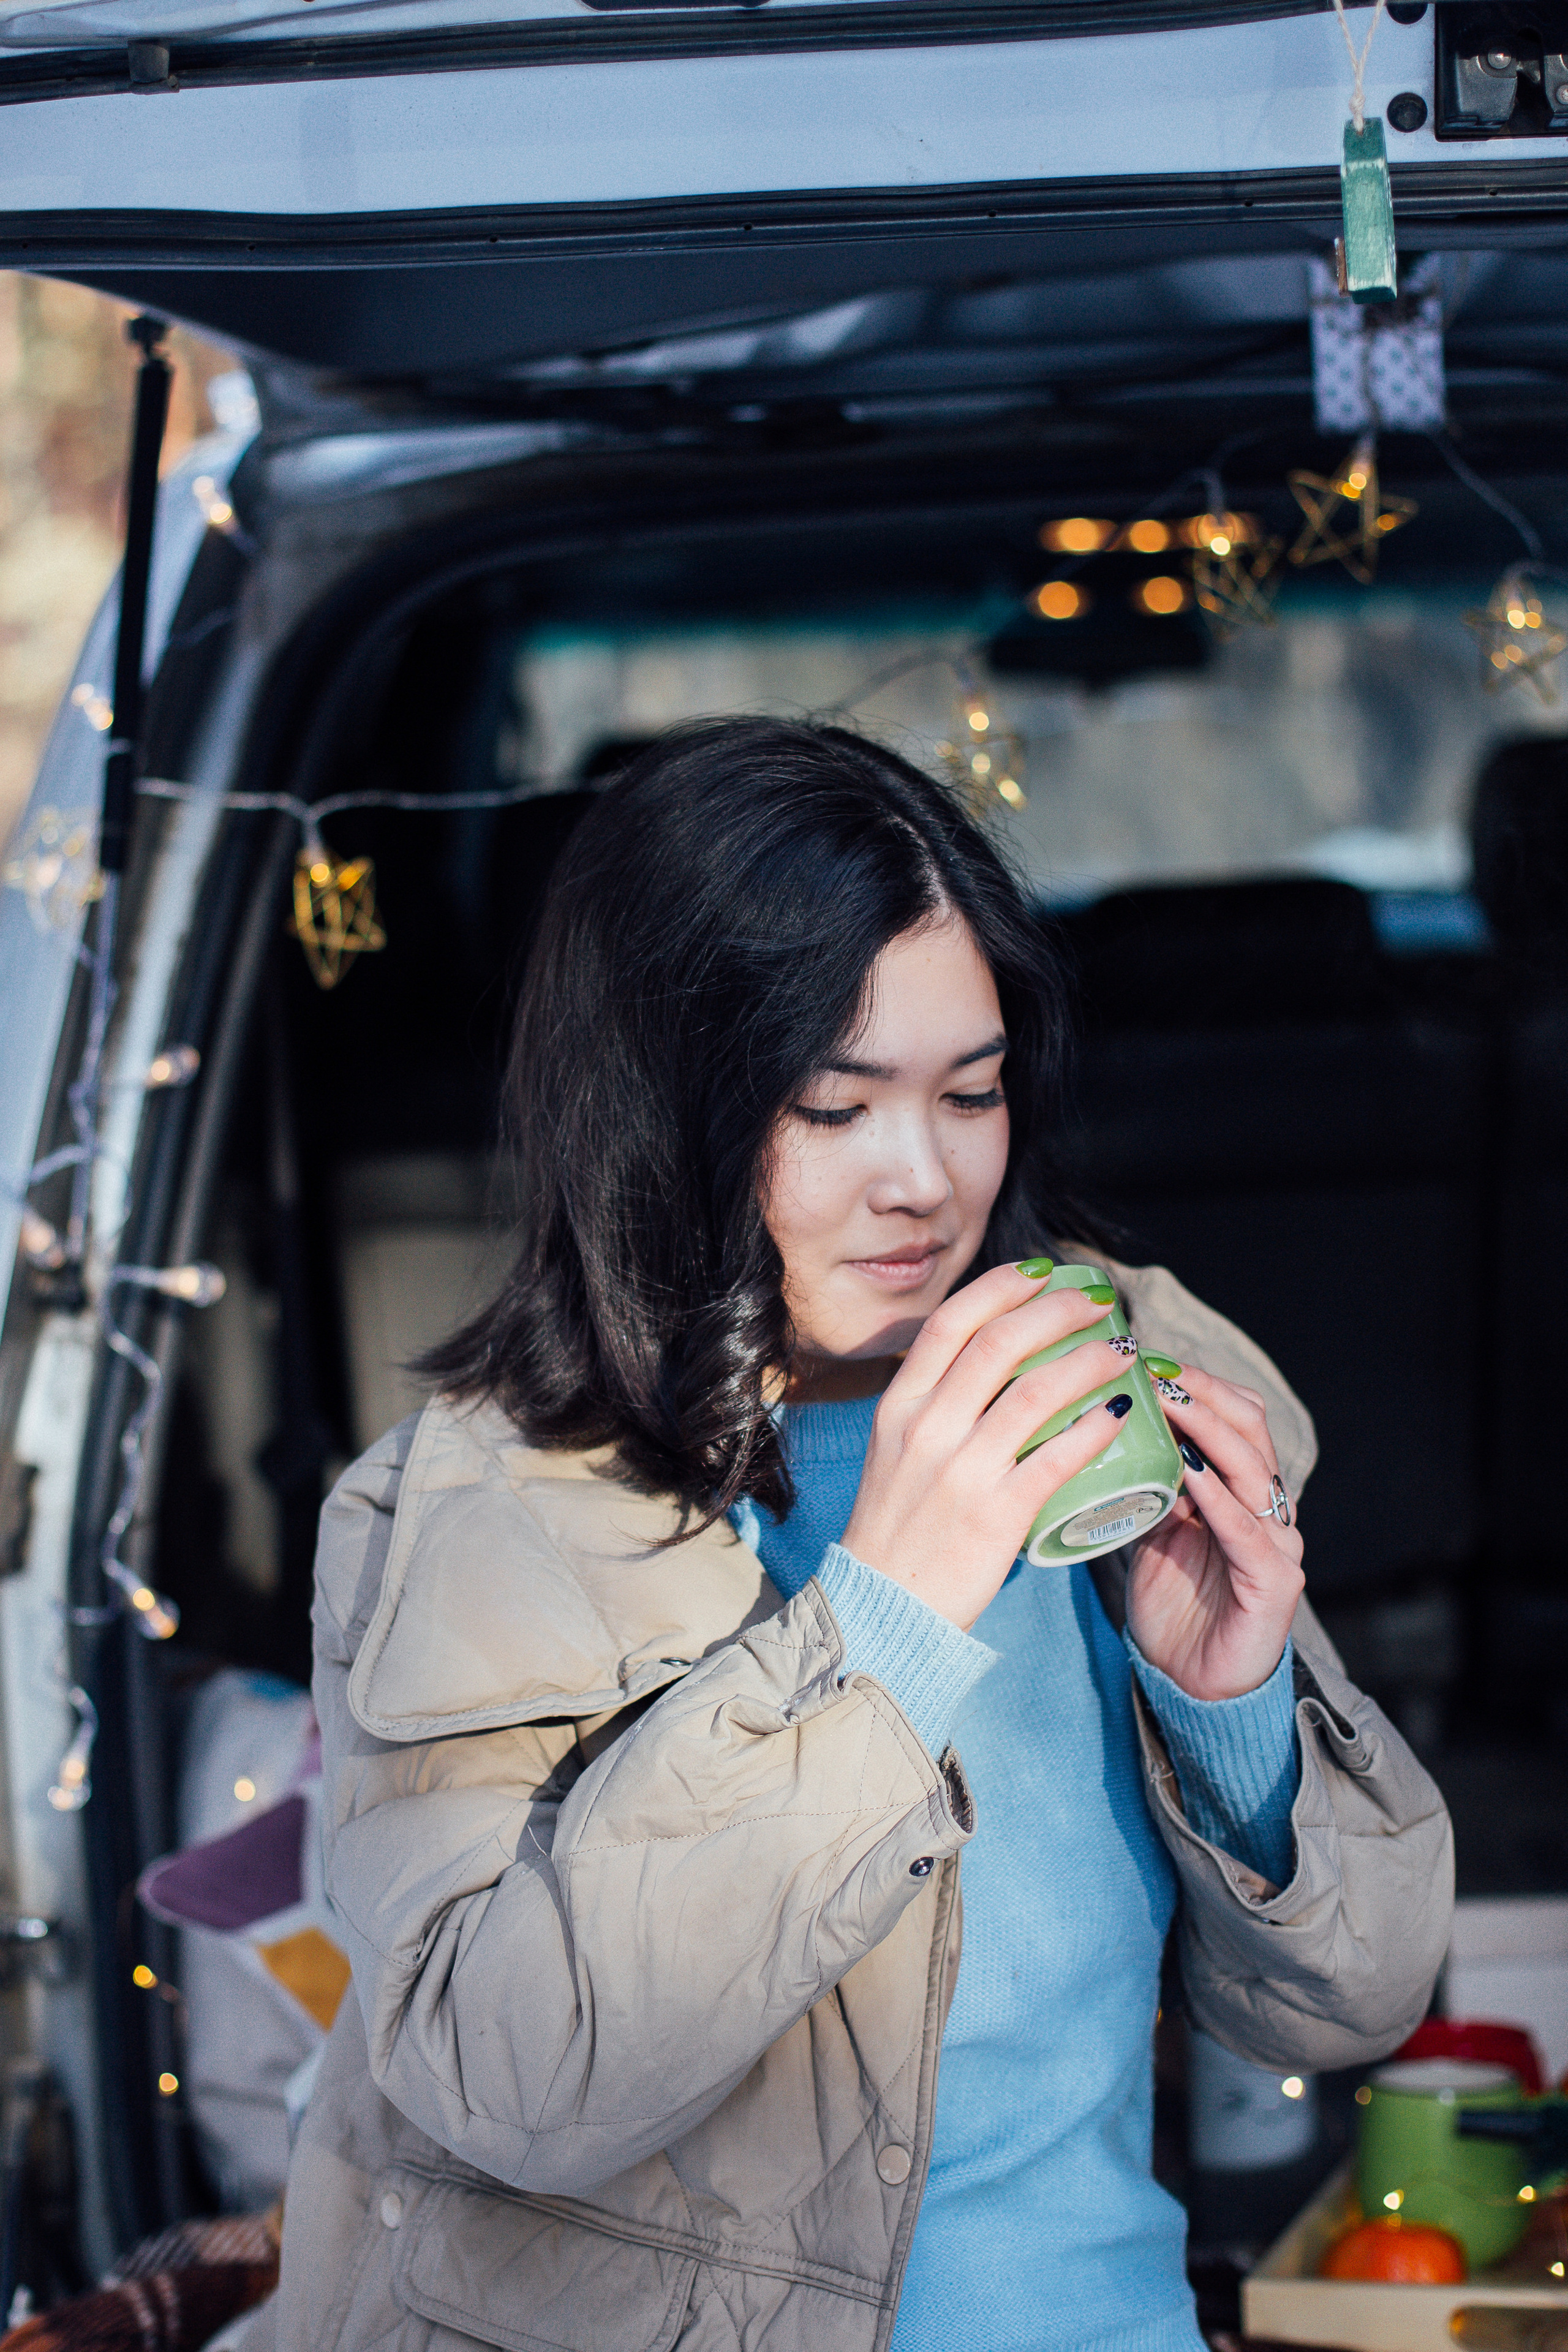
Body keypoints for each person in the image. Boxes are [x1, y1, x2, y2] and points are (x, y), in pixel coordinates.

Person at [267, 718, 1453, 2352]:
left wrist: (1226, 1713)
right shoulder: (482, 1512)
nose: (926, 1178)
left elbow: (1352, 2003)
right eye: (835, 1106)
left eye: (971, 1092)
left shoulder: (1101, 1405)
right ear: (657, 1107)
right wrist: (885, 1623)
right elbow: (508, 2076)